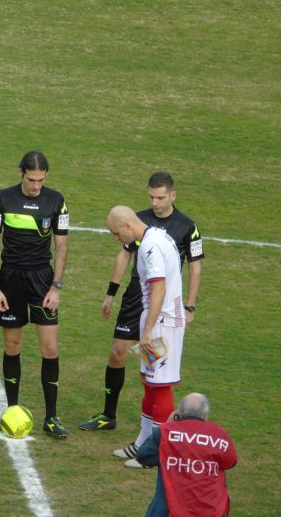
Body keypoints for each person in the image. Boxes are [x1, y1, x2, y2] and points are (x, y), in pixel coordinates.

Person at [80, 172, 203, 433]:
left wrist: (189, 306)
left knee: (157, 376)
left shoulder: (184, 227)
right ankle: (113, 417)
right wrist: (111, 293)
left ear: (173, 195)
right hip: (139, 298)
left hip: (160, 309)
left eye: (160, 197)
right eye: (151, 197)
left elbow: (193, 268)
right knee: (125, 357)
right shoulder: (139, 222)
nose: (155, 203)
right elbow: (124, 257)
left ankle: (160, 435)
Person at [0, 151, 70, 438]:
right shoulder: (3, 198)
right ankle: (11, 410)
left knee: (50, 348)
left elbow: (61, 247)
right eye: (32, 179)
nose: (36, 186)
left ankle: (52, 416)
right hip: (11, 279)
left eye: (41, 180)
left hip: (42, 279)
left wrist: (56, 287)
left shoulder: (56, 200)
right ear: (20, 172)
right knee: (12, 346)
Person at [105, 205, 186, 467]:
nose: (118, 239)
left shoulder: (150, 246)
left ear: (129, 226)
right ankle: (142, 443)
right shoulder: (158, 237)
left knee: (160, 385)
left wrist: (149, 330)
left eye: (118, 234)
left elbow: (159, 288)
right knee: (149, 381)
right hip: (157, 319)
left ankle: (156, 454)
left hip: (162, 323)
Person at [136, 393, 238, 516]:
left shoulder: (165, 433)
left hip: (168, 510)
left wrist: (166, 424)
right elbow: (230, 462)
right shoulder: (220, 435)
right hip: (212, 510)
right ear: (205, 415)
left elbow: (143, 456)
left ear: (179, 414)